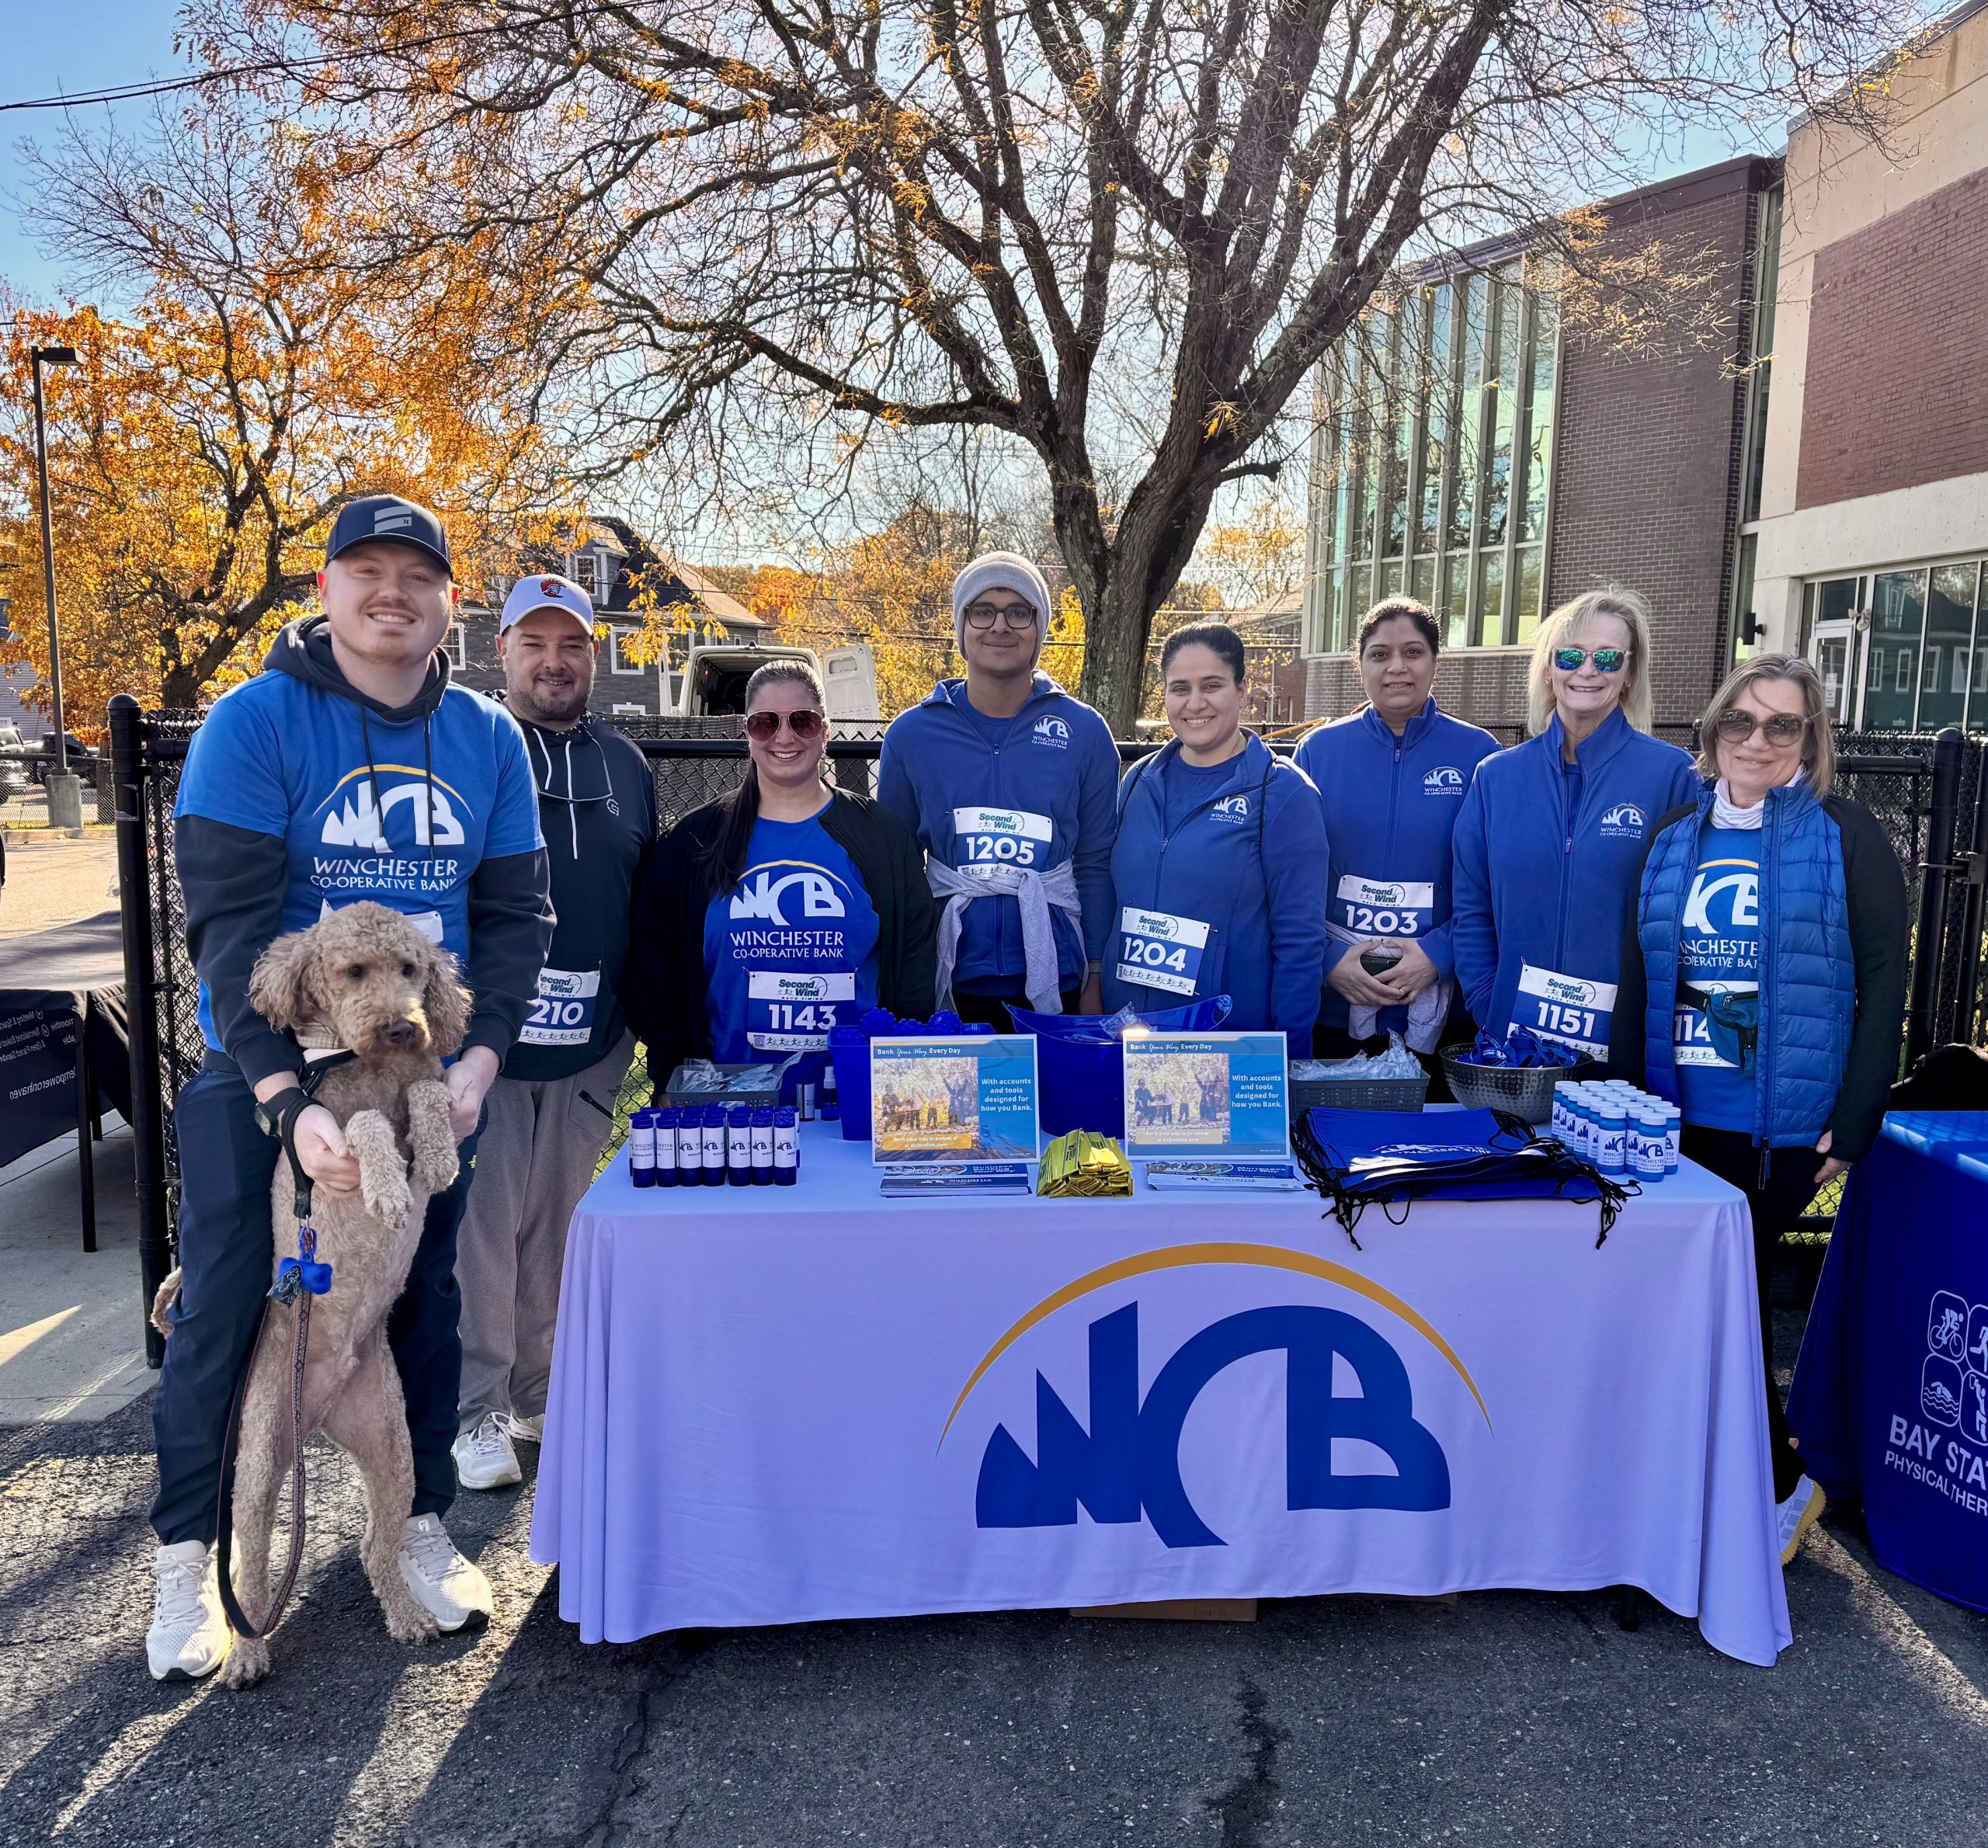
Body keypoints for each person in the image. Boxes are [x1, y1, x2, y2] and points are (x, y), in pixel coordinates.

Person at [150, 494, 553, 1682]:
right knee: (229, 1306)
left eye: (418, 576)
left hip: (423, 1076)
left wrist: (477, 1063)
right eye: (366, 570)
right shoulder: (254, 722)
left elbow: (515, 921)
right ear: (323, 591)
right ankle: (192, 1565)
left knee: (426, 1295)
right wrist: (289, 1099)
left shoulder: (488, 738)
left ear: (448, 606)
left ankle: (416, 1526)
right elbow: (226, 934)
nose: (393, 594)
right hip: (268, 1075)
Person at [1611, 653, 1906, 1564]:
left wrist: (1852, 1122)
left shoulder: (1844, 835)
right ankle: (1728, 1484)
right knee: (1691, 1307)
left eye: (1783, 725)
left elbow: (1884, 980)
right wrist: (1625, 1103)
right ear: (1711, 730)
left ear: (1809, 739)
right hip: (1677, 1118)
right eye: (1740, 720)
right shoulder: (1672, 835)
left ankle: (1783, 1484)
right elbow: (1639, 979)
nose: (1757, 740)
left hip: (1781, 1127)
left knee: (1730, 1306)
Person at [452, 574, 657, 1492]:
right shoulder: (462, 745)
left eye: (571, 644)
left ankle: (540, 1390)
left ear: (594, 656)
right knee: (481, 1232)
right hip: (485, 1044)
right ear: (501, 653)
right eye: (533, 644)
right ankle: (475, 1410)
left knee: (563, 1226)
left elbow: (639, 891)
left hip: (590, 1042)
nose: (554, 661)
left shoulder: (625, 764)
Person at [624, 661, 937, 1083]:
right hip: (727, 1099)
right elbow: (656, 968)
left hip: (853, 1098)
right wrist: (671, 1070)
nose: (784, 736)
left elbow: (915, 958)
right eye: (765, 723)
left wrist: (901, 1071)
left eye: (803, 722)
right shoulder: (697, 840)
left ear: (825, 733)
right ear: (747, 735)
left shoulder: (878, 836)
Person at [1451, 589, 1698, 1062]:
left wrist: (1644, 1025)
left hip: (1620, 1050)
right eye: (1569, 655)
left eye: (1607, 658)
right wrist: (1489, 1001)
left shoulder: (1672, 776)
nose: (1587, 671)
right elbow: (1472, 908)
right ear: (1548, 668)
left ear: (1628, 674)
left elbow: (1682, 924)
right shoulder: (1496, 778)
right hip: (1512, 1044)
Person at [877, 554, 1118, 1024]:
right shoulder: (911, 734)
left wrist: (1093, 976)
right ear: (962, 628)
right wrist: (901, 977)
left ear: (1039, 630)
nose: (1000, 626)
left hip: (1058, 974)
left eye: (1019, 612)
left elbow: (1095, 862)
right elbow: (897, 868)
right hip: (949, 972)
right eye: (982, 611)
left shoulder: (1085, 731)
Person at [1103, 621, 1328, 1053]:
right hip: (1130, 1036)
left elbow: (1300, 947)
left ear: (1243, 691)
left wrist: (1288, 1064)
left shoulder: (1283, 793)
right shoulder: (1137, 781)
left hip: (1224, 1046)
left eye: (1212, 685)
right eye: (1179, 688)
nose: (1195, 703)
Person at [1295, 598, 1501, 1061]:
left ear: (1434, 661)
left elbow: (1496, 881)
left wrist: (1438, 956)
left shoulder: (1480, 754)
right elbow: (1289, 879)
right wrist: (1330, 962)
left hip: (1443, 1008)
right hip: (1335, 1005)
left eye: (1413, 652)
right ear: (1360, 663)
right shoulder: (1317, 752)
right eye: (1380, 654)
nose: (1397, 668)